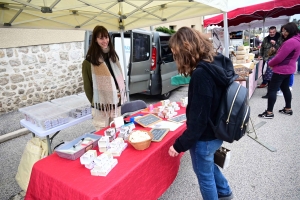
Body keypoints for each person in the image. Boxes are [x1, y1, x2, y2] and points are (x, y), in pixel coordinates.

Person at [168, 27, 234, 200]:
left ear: (185, 50)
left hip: (205, 138)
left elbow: (198, 122)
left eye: (176, 54)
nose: (175, 58)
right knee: (209, 165)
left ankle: (223, 193)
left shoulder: (201, 74)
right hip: (218, 130)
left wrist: (178, 145)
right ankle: (225, 192)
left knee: (205, 177)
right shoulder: (217, 62)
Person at [82, 25, 126, 131]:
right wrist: (98, 100)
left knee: (117, 133)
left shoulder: (113, 57)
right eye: (101, 38)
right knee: (103, 136)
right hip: (101, 107)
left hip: (116, 103)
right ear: (95, 40)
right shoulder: (89, 62)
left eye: (106, 37)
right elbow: (88, 88)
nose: (105, 40)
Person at [258, 22, 300, 119]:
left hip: (281, 69)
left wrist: (270, 64)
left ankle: (269, 112)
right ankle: (288, 109)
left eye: (285, 31)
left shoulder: (290, 42)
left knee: (272, 89)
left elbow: (279, 57)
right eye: (283, 31)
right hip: (289, 69)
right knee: (285, 88)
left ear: (291, 30)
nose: (283, 33)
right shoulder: (297, 40)